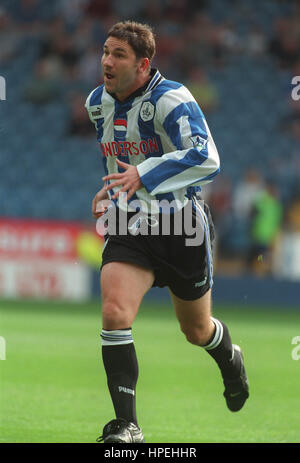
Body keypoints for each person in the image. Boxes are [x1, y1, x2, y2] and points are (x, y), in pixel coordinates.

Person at [85, 21, 249, 444]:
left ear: (142, 64)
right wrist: (110, 191)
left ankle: (229, 355)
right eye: (106, 51)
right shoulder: (96, 103)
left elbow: (206, 157)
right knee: (114, 312)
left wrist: (143, 173)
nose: (107, 60)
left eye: (118, 54)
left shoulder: (170, 98)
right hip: (129, 223)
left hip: (181, 227)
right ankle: (127, 425)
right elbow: (117, 158)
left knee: (196, 331)